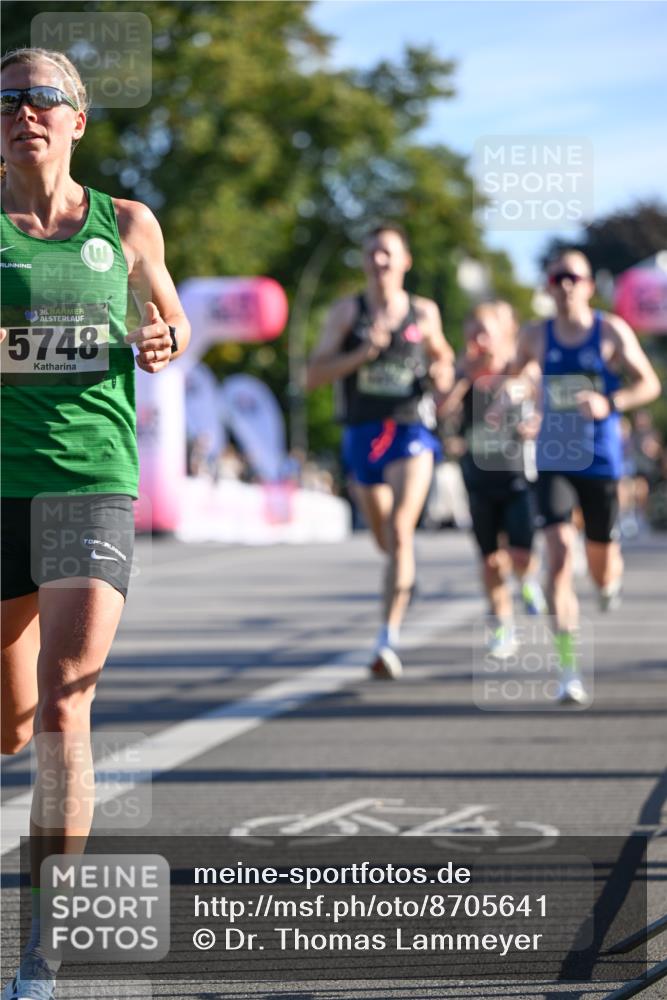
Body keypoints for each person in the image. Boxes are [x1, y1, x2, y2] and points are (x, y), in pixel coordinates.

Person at [1, 47, 190, 999]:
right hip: (0, 482)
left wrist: (160, 336)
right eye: (8, 101)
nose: (22, 112)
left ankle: (43, 936)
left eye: (41, 99)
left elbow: (172, 320)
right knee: (10, 723)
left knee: (68, 696)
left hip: (91, 476)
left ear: (77, 118)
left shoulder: (127, 223)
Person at [306, 223, 454, 678]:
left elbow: (444, 358)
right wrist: (361, 355)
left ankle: (387, 639)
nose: (380, 261)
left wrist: (443, 375)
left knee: (400, 529)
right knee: (383, 539)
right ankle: (403, 577)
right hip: (363, 433)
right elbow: (312, 375)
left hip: (410, 429)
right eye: (372, 253)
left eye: (388, 253)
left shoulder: (424, 312)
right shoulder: (347, 312)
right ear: (365, 261)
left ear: (405, 261)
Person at [515, 250, 661, 704]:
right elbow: (516, 380)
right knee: (558, 555)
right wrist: (521, 409)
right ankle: (568, 668)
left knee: (601, 567)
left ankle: (608, 583)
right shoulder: (535, 335)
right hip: (554, 458)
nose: (564, 286)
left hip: (599, 461)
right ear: (547, 285)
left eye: (572, 277)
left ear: (588, 285)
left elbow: (649, 384)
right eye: (556, 278)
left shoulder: (611, 331)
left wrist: (610, 404)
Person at [440, 301, 545, 659]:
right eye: (474, 331)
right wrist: (462, 379)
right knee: (489, 559)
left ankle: (528, 579)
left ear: (504, 333)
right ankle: (503, 626)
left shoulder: (520, 368)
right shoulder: (462, 371)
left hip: (517, 476)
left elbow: (538, 398)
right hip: (478, 478)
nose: (480, 338)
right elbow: (441, 409)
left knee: (519, 554)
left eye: (487, 330)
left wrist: (534, 420)